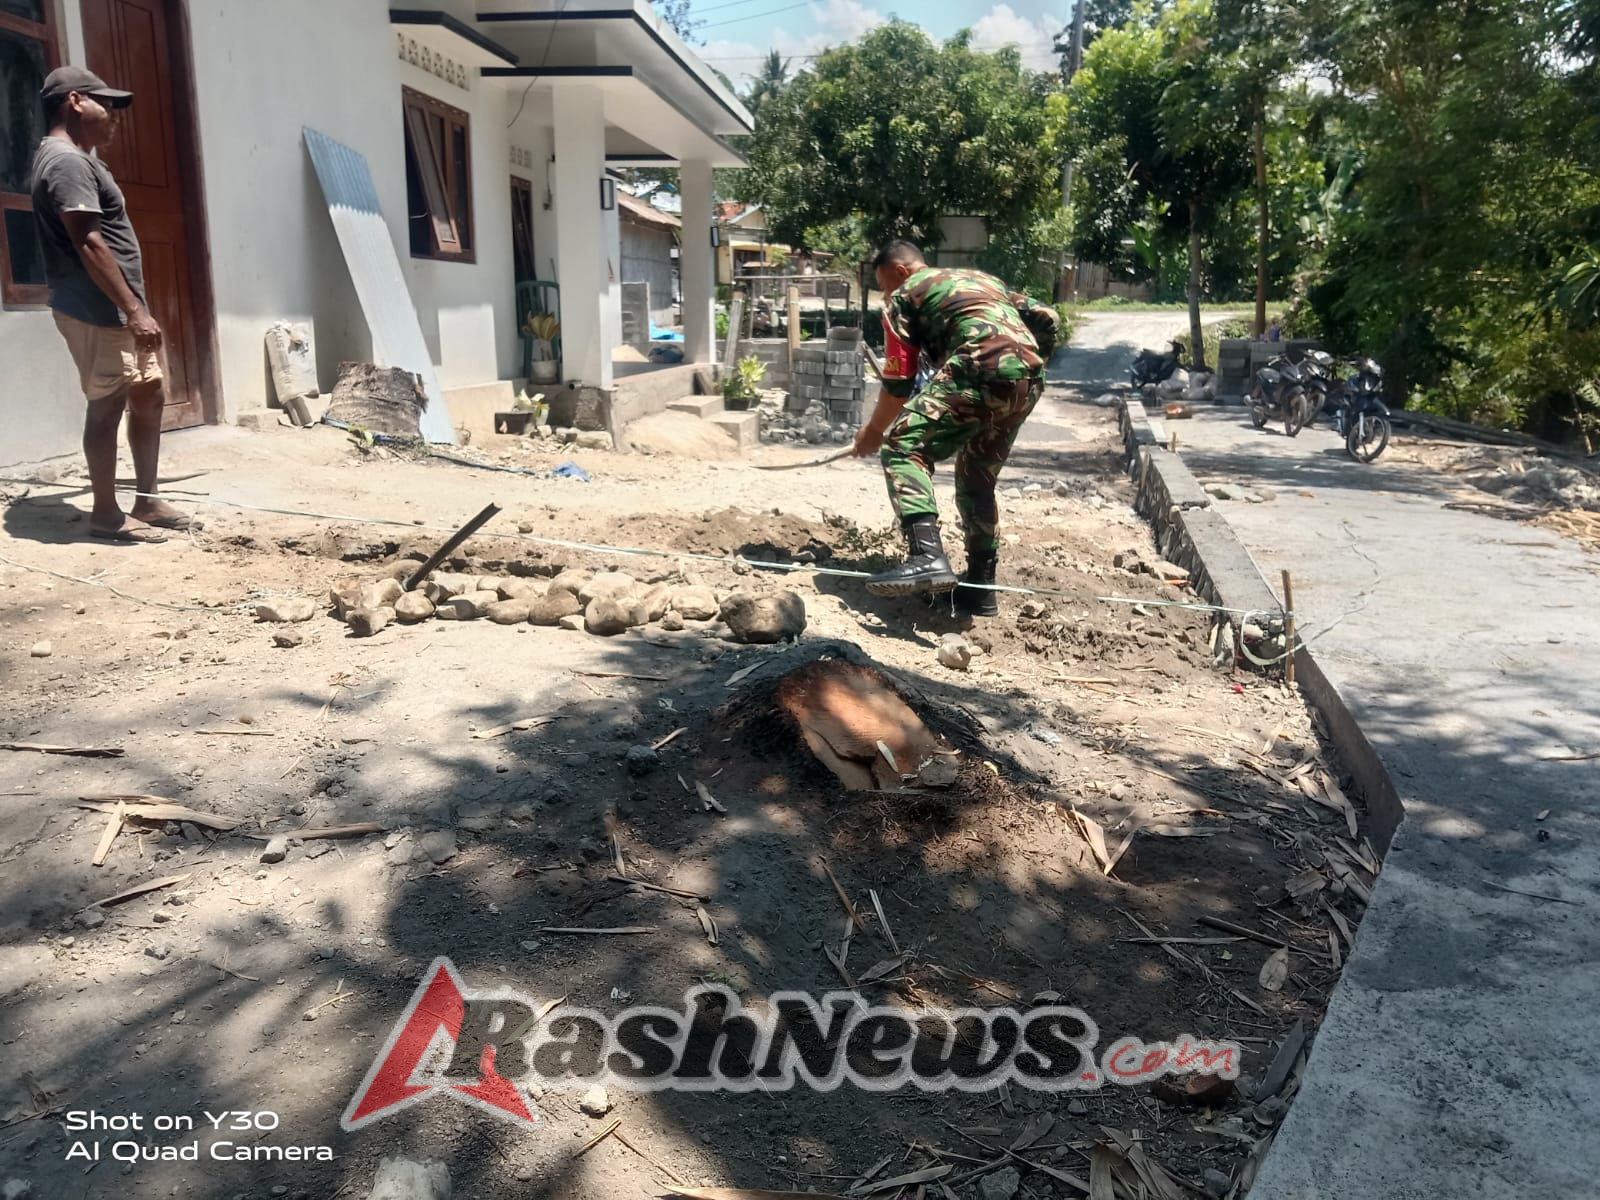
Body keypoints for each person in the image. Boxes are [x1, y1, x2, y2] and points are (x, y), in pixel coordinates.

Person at [30, 65, 196, 543]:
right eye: (109, 103)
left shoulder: (80, 159)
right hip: (96, 310)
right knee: (107, 406)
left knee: (149, 393)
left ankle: (146, 499)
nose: (117, 115)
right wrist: (134, 309)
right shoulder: (66, 161)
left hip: (113, 309)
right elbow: (88, 242)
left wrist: (134, 308)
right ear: (76, 101)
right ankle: (106, 513)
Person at [853, 240, 1056, 617]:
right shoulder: (981, 280)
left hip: (978, 365)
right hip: (1028, 377)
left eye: (885, 285)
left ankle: (926, 556)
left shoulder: (904, 295)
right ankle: (980, 589)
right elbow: (1047, 316)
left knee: (902, 446)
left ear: (900, 271)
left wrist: (874, 430)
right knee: (977, 477)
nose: (887, 293)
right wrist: (1033, 358)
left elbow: (899, 379)